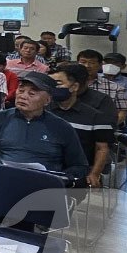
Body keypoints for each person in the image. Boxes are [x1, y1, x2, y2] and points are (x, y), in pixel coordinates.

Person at [0, 71, 87, 253]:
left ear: (47, 99)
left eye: (32, 92)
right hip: (1, 184)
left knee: (24, 215)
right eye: (21, 91)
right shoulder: (0, 119)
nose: (22, 96)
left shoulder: (61, 128)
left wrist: (55, 179)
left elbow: (78, 167)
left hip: (39, 192)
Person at [49, 64, 112, 194]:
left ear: (74, 87)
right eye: (50, 84)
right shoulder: (44, 110)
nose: (53, 88)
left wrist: (94, 174)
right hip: (48, 163)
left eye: (58, 84)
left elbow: (102, 148)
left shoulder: (95, 116)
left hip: (78, 167)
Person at [76, 49, 127, 125]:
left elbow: (122, 112)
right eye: (83, 62)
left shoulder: (115, 88)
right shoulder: (69, 84)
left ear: (101, 65)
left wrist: (106, 128)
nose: (87, 66)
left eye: (92, 63)